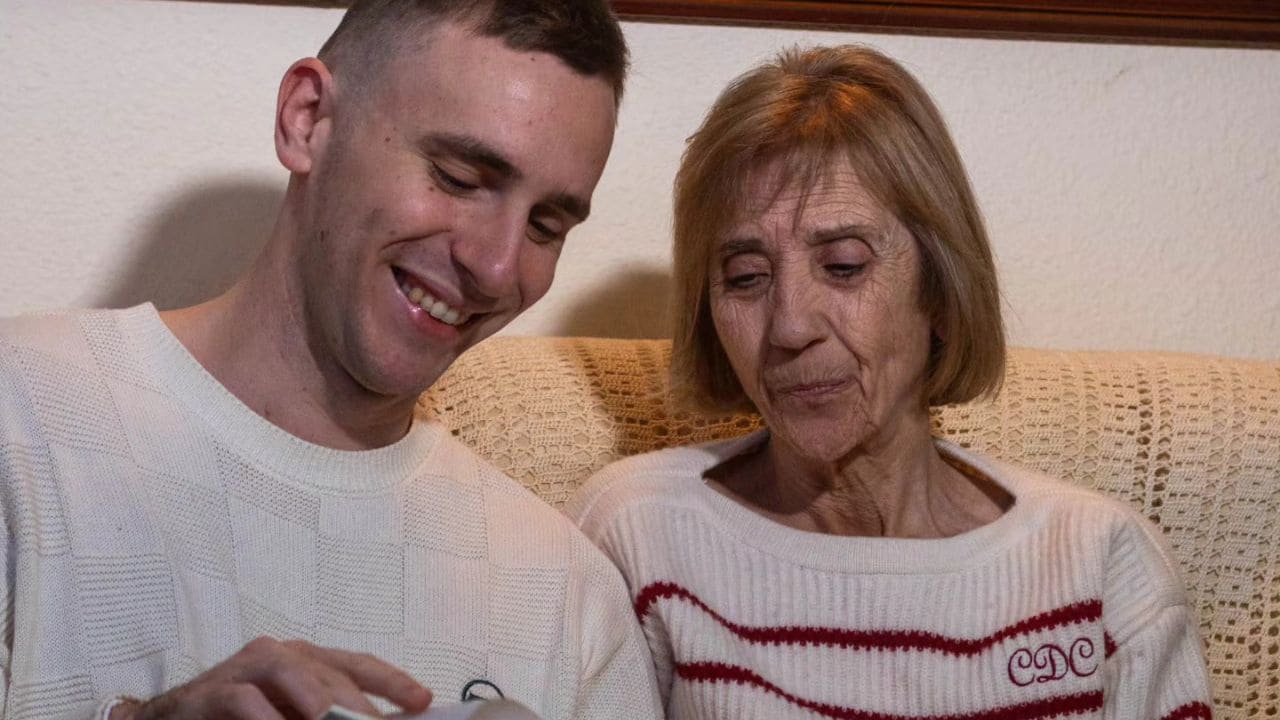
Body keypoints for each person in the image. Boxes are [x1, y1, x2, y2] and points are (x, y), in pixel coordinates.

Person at [0, 1, 662, 719]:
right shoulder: (23, 413)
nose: (498, 268)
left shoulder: (568, 592)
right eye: (459, 177)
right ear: (307, 119)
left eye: (546, 224)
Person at [567, 45, 1213, 719]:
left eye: (843, 266)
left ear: (939, 288)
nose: (790, 326)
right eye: (746, 278)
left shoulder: (1099, 564)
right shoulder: (637, 535)